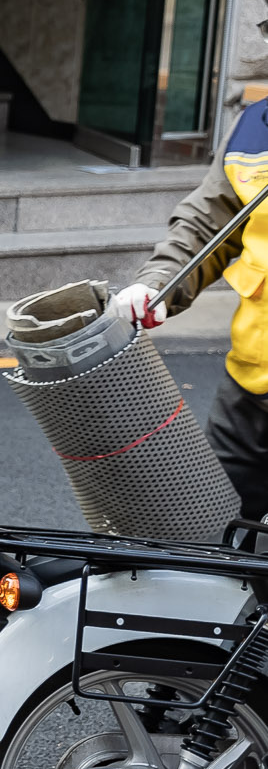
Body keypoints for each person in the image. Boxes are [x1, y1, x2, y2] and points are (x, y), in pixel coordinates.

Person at [111, 96, 268, 517]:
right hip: (249, 389)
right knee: (209, 531)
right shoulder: (256, 125)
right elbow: (206, 223)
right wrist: (157, 285)